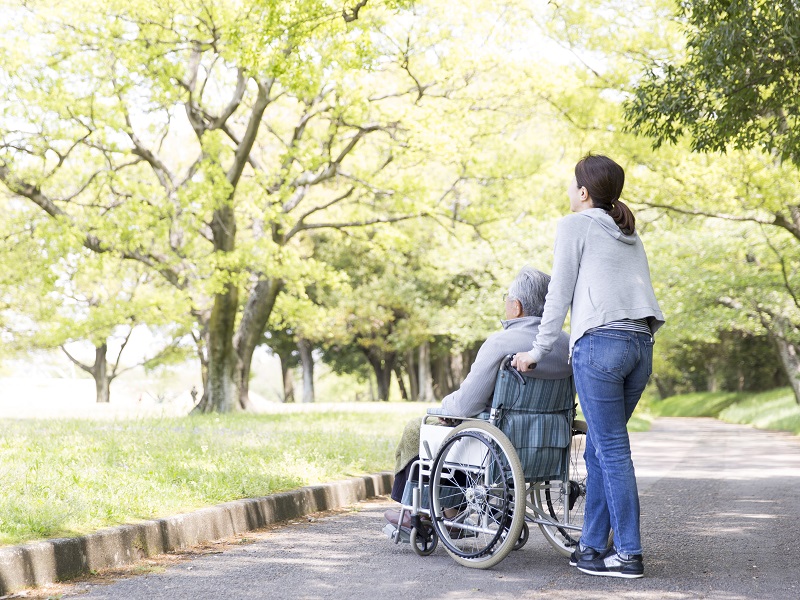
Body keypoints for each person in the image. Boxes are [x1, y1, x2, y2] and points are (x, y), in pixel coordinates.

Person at [512, 154, 665, 579]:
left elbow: (558, 293)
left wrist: (537, 351)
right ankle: (593, 548)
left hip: (601, 344)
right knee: (600, 447)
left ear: (583, 192)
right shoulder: (626, 233)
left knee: (612, 449)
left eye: (572, 184)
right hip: (640, 344)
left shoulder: (575, 224)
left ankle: (629, 553)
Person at [385, 266, 572, 528]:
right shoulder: (568, 345)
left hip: (497, 443)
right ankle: (450, 512)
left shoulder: (501, 342)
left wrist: (442, 409)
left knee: (421, 428)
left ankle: (417, 510)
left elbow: (465, 405)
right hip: (547, 443)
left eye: (506, 299)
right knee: (466, 431)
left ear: (516, 307)